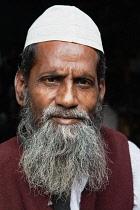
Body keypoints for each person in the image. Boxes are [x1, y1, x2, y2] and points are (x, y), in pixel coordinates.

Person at [0, 5, 140, 210]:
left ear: (100, 92)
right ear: (22, 88)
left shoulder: (130, 162)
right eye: (51, 79)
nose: (67, 99)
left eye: (83, 82)